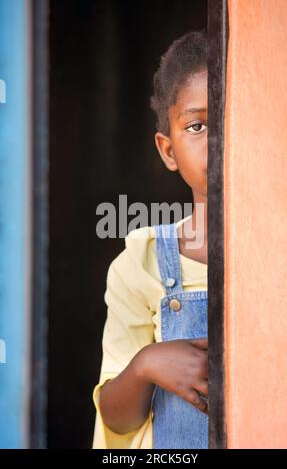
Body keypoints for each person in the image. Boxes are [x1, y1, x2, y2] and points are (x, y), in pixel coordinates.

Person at [92, 29, 209, 449]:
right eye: (197, 126)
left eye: (238, 120)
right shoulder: (141, 264)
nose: (220, 141)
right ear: (168, 150)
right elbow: (116, 420)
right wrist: (146, 366)